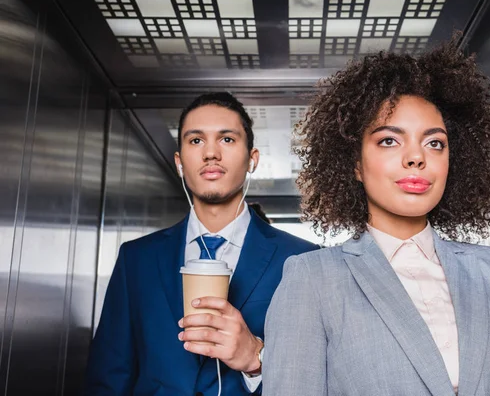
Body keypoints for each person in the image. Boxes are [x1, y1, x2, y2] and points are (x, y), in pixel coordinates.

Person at [262, 36, 490, 395]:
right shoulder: (312, 279)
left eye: (434, 143)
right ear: (355, 164)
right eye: (390, 140)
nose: (416, 157)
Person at [84, 92, 318, 395]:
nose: (210, 153)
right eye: (196, 140)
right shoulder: (137, 259)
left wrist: (257, 359)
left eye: (227, 140)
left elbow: (318, 378)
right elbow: (108, 376)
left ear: (252, 159)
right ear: (179, 163)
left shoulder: (302, 259)